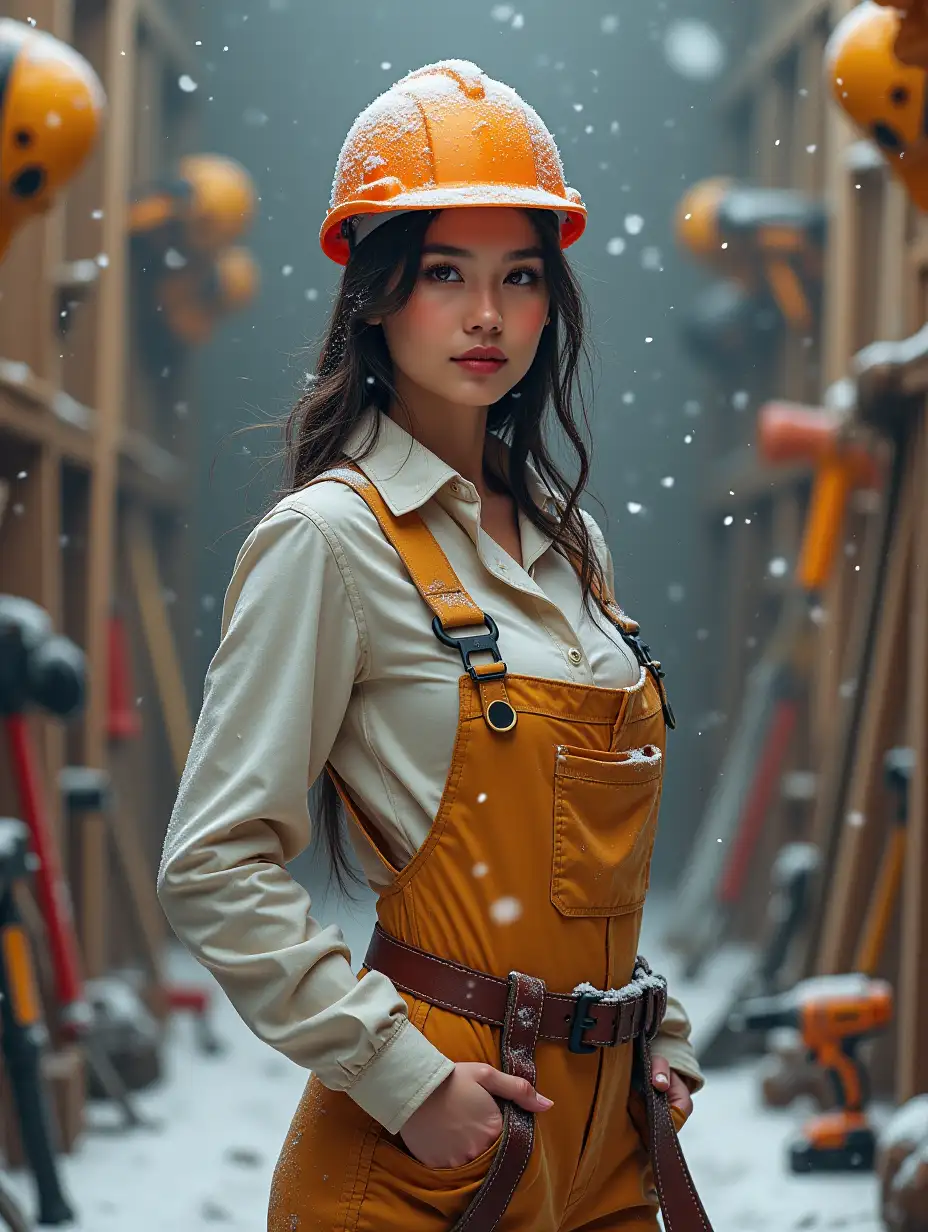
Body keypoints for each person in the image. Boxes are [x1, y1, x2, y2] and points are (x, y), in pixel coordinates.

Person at [158, 59, 709, 1232]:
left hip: (608, 1139)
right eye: (444, 274)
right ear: (374, 294)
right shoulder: (329, 540)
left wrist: (644, 1026)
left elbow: (568, 855)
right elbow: (213, 863)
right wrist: (403, 1082)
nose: (487, 316)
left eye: (520, 277)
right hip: (438, 1152)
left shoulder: (572, 542)